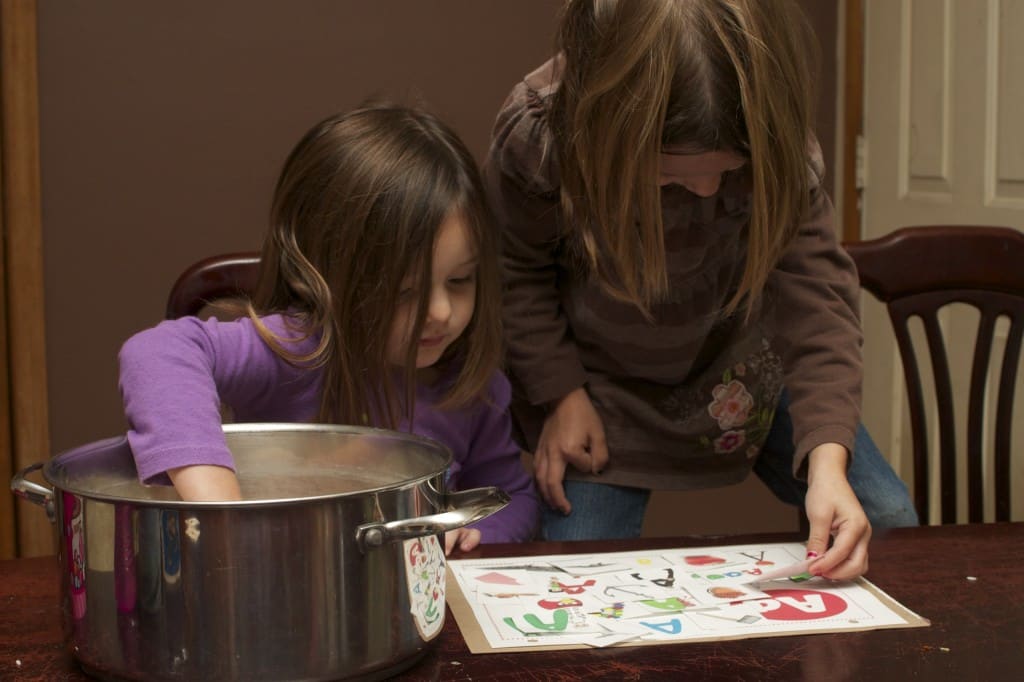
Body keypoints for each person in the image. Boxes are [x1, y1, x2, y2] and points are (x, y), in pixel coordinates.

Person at [484, 0, 918, 580]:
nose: (709, 189)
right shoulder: (541, 137)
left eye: (728, 168)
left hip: (742, 365)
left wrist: (829, 463)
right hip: (599, 384)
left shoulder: (780, 139)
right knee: (580, 566)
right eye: (673, 174)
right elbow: (517, 272)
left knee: (887, 514)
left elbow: (818, 302)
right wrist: (561, 394)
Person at [119, 103, 539, 554]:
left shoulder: (473, 386)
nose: (439, 311)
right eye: (403, 291)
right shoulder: (296, 350)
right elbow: (157, 350)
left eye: (460, 280)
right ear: (321, 275)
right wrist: (215, 495)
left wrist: (476, 533)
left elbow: (511, 496)